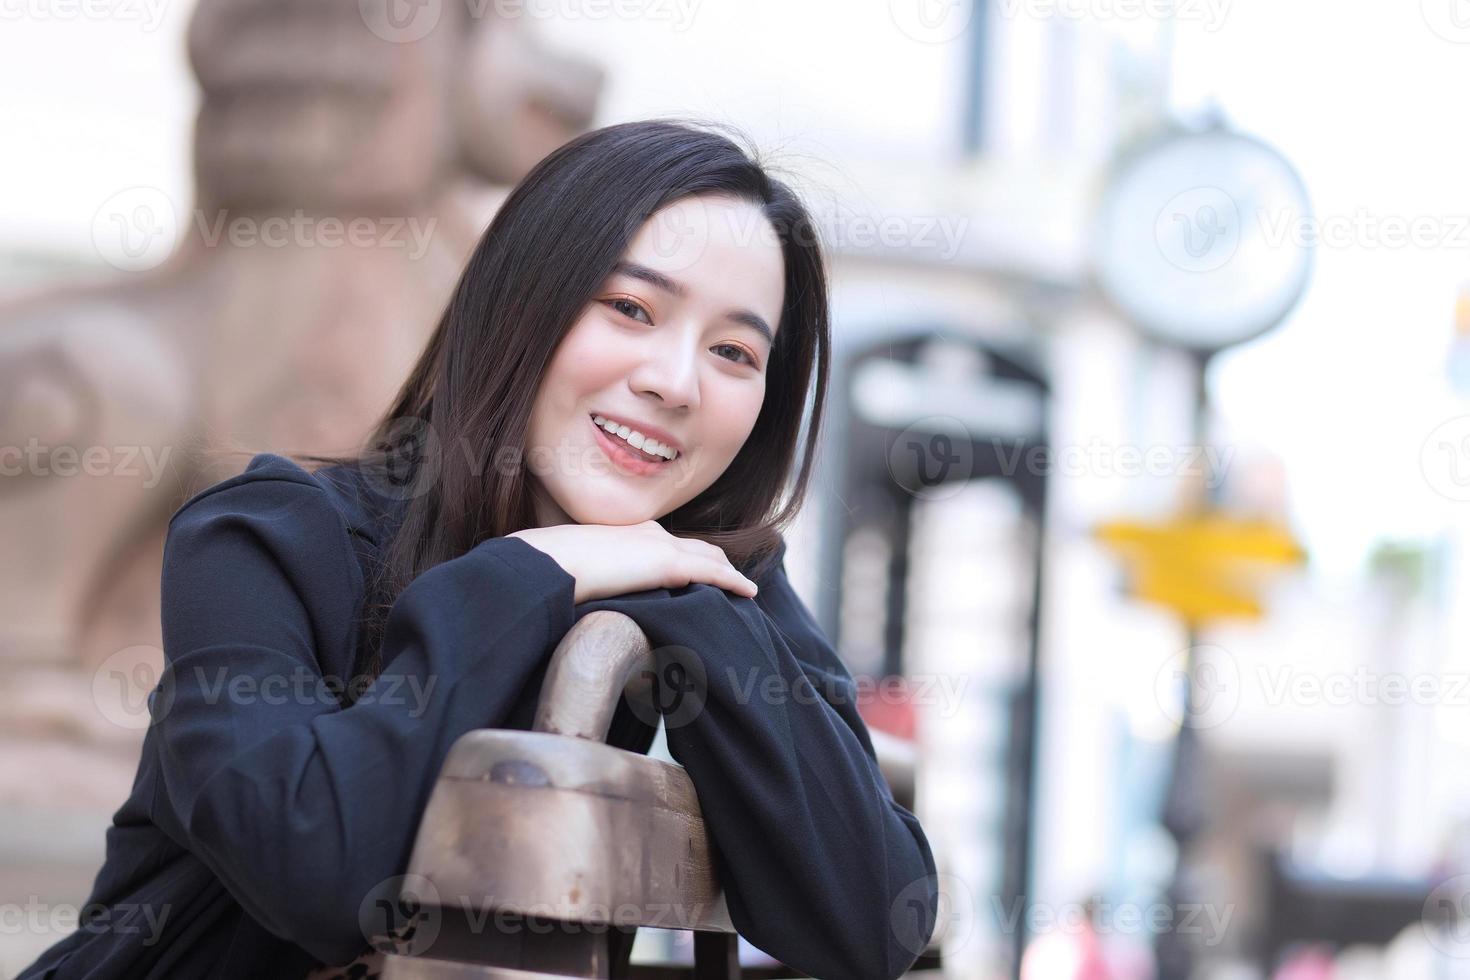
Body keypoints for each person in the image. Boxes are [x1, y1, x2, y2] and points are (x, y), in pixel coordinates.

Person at [17, 119, 939, 980]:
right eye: (628, 307)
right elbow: (319, 872)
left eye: (735, 353)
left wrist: (699, 610)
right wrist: (530, 577)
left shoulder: (697, 574)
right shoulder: (261, 539)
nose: (674, 382)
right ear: (521, 305)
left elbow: (871, 922)